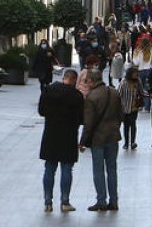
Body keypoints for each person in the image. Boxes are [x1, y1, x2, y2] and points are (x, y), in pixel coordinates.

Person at [38, 68, 84, 212]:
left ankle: (47, 202)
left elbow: (41, 111)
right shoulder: (76, 96)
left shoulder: (48, 91)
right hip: (68, 135)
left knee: (49, 168)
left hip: (50, 134)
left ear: (64, 77)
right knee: (66, 168)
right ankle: (65, 202)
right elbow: (81, 118)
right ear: (74, 80)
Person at [79, 69, 122, 211]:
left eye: (86, 81)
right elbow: (120, 115)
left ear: (91, 81)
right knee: (112, 169)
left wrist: (83, 141)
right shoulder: (114, 93)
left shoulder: (92, 97)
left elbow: (88, 123)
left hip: (98, 138)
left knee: (98, 169)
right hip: (113, 136)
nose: (86, 84)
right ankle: (114, 201)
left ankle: (101, 201)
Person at [118, 67, 142, 150]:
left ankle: (133, 142)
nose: (136, 75)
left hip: (134, 107)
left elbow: (141, 92)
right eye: (134, 73)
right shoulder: (123, 83)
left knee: (133, 124)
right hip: (125, 108)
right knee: (126, 126)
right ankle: (126, 143)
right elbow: (119, 95)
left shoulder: (138, 81)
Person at [131, 37, 152, 112]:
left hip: (140, 71)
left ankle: (140, 105)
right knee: (147, 89)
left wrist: (134, 57)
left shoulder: (138, 51)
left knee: (139, 90)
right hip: (149, 71)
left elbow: (136, 63)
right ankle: (147, 107)